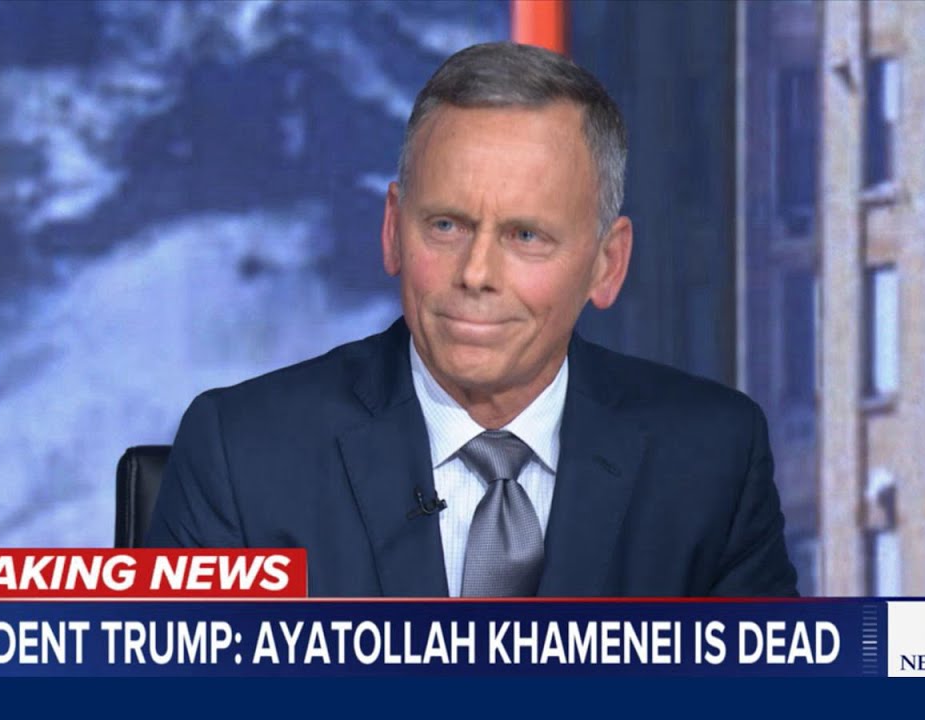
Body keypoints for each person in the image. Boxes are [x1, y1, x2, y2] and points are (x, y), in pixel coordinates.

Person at [146, 42, 798, 598]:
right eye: (446, 225)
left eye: (525, 235)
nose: (476, 272)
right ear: (393, 231)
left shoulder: (710, 463)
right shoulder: (244, 455)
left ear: (607, 264)